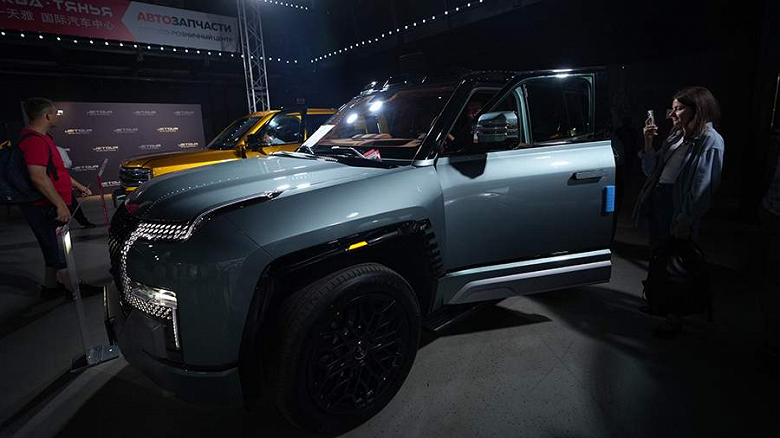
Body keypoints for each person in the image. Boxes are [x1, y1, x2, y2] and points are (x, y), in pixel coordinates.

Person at [632, 86, 725, 338]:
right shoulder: (677, 135)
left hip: (678, 205)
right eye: (672, 109)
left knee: (677, 261)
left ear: (698, 109)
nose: (673, 114)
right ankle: (658, 302)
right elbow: (651, 170)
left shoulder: (710, 141)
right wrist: (648, 142)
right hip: (660, 199)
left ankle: (674, 318)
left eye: (679, 109)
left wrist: (686, 217)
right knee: (658, 254)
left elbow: (703, 186)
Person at [18, 98, 102, 300]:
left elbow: (57, 172)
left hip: (48, 205)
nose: (57, 116)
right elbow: (38, 176)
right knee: (57, 249)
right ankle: (74, 289)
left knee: (51, 247)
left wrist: (79, 187)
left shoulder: (43, 139)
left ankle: (49, 288)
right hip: (43, 207)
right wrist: (60, 204)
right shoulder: (34, 141)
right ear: (47, 116)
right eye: (56, 113)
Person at [758, 145, 780, 361]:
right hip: (772, 212)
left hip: (772, 212)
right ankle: (770, 341)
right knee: (771, 281)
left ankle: (771, 342)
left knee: (772, 282)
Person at [57, 146, 96, 229]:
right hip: (51, 192)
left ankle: (82, 222)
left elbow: (64, 173)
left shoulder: (58, 151)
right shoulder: (55, 151)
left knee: (73, 204)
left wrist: (80, 187)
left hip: (62, 188)